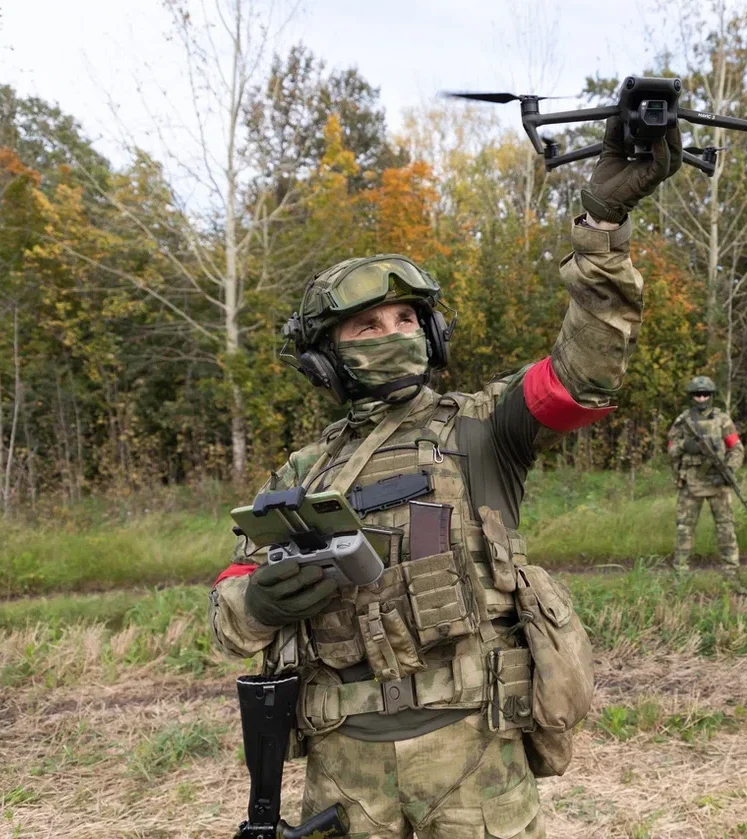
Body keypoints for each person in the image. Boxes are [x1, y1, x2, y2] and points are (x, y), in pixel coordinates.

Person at [208, 117, 682, 838]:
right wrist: (258, 600)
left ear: (430, 335)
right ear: (326, 358)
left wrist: (602, 227)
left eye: (406, 319)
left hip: (473, 759)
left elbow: (583, 375)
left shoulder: (486, 426)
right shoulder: (304, 472)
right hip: (345, 773)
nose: (393, 333)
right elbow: (227, 611)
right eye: (367, 327)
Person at [666, 375, 745, 578]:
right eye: (697, 395)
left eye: (705, 394)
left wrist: (729, 471)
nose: (701, 398)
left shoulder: (722, 420)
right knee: (684, 529)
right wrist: (685, 445)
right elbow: (671, 449)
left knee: (726, 528)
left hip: (718, 481)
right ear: (691, 396)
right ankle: (680, 575)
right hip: (691, 481)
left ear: (711, 396)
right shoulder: (683, 421)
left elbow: (736, 448)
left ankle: (732, 573)